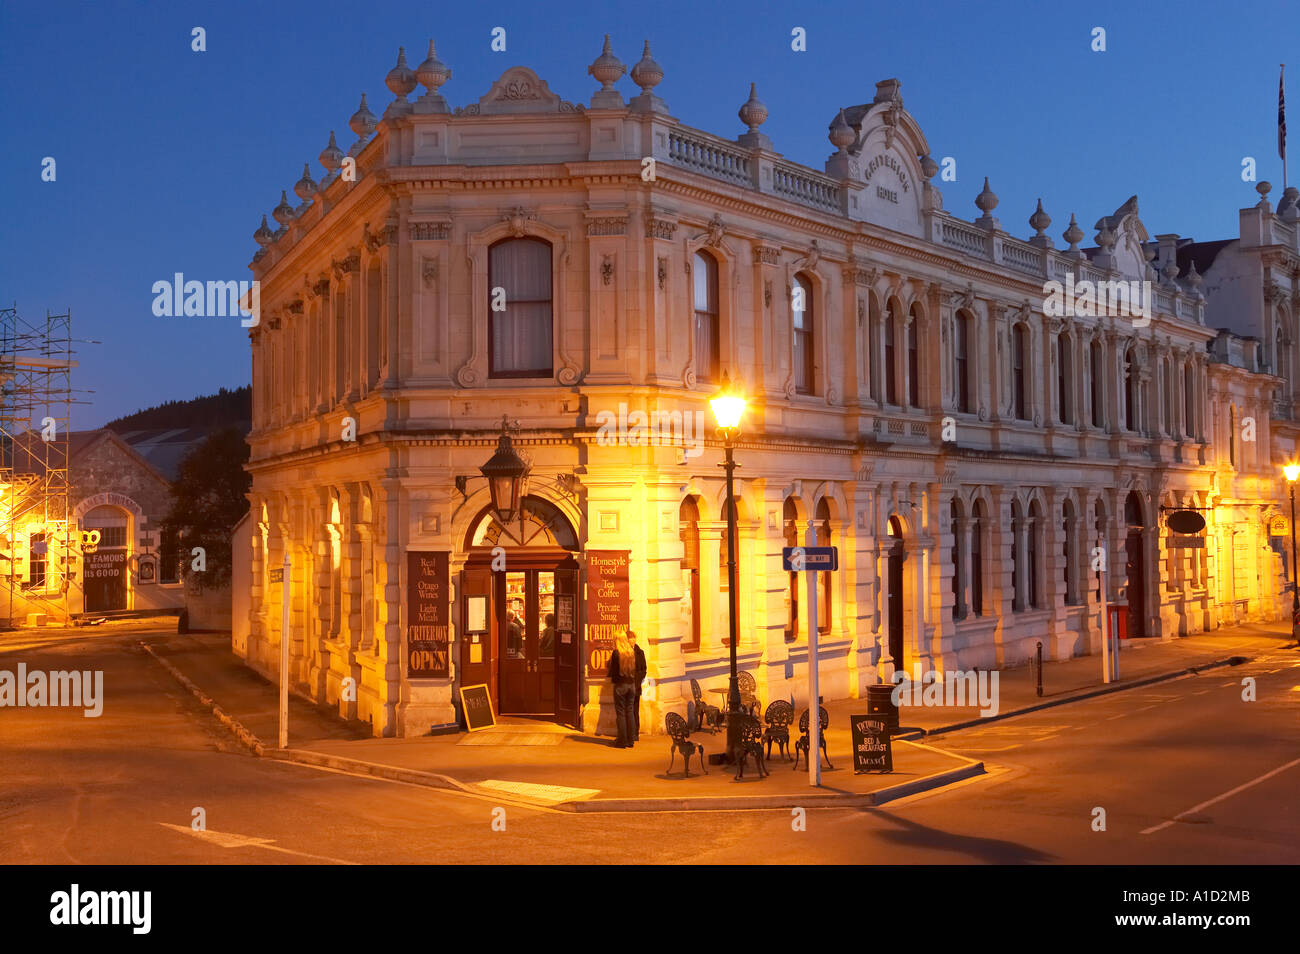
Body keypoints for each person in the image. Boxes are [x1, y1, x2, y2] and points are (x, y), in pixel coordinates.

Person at [607, 629, 641, 748]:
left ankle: (622, 740)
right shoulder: (631, 652)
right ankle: (630, 740)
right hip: (631, 685)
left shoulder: (616, 653)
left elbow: (613, 672)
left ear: (617, 640)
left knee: (621, 713)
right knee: (630, 711)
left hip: (620, 686)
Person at [628, 630, 647, 740]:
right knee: (629, 709)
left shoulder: (640, 652)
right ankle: (630, 732)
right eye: (631, 638)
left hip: (636, 686)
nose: (633, 640)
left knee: (635, 709)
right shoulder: (625, 653)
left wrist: (637, 682)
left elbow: (644, 669)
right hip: (628, 685)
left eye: (634, 638)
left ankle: (635, 732)